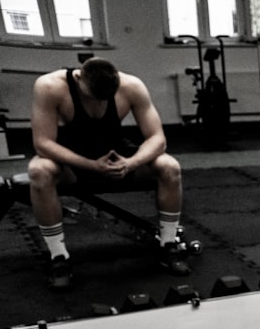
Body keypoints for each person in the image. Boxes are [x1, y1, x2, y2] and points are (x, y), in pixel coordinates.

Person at [28, 57, 188, 290]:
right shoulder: (49, 86)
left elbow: (157, 138)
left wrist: (131, 163)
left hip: (119, 157)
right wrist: (92, 165)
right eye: (92, 97)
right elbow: (42, 143)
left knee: (170, 167)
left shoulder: (131, 85)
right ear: (78, 78)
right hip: (73, 160)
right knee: (39, 171)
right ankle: (58, 257)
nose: (99, 104)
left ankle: (168, 245)